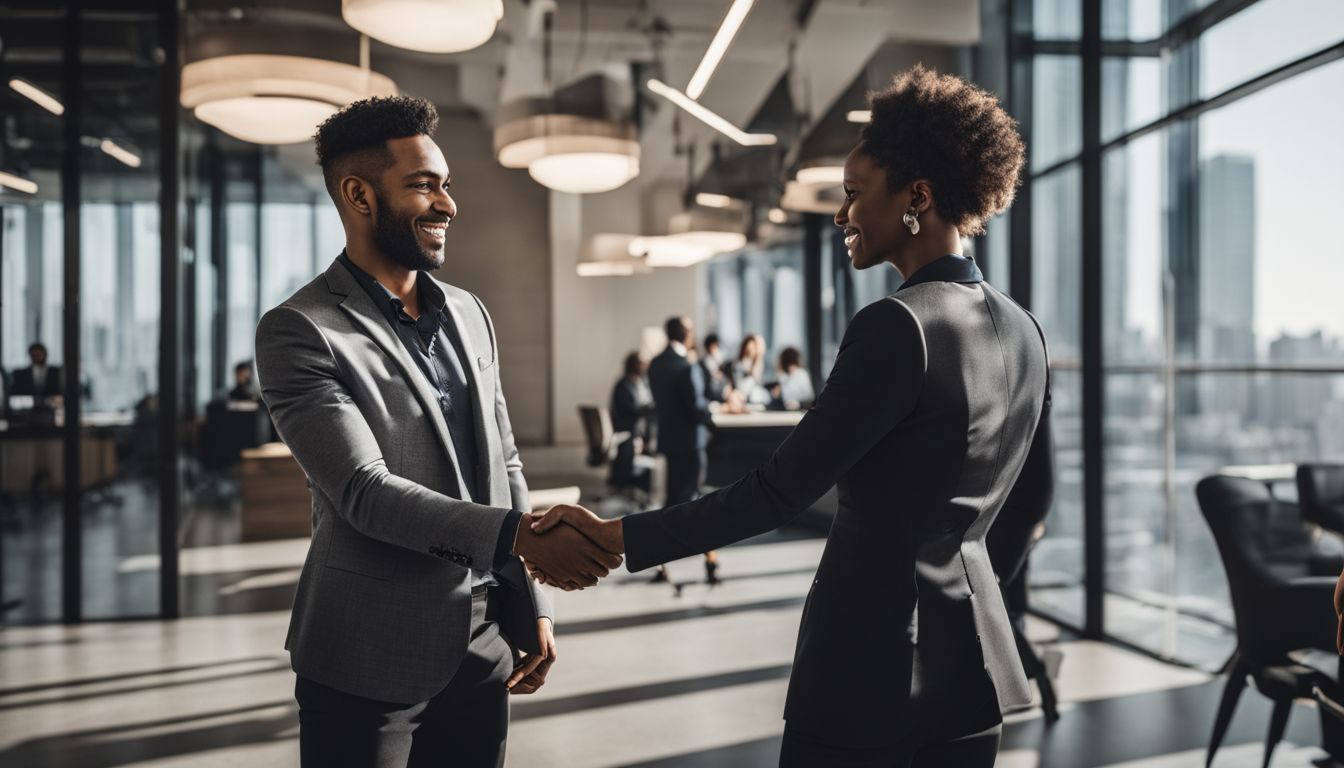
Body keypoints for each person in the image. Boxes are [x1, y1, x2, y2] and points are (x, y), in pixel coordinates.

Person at [530, 65, 1046, 766]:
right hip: (974, 670)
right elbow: (1016, 507)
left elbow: (777, 491)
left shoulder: (898, 325)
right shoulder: (1025, 332)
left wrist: (616, 538)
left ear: (916, 197)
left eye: (855, 195)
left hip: (868, 671)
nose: (841, 216)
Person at [253, 95, 620, 768]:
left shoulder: (470, 313)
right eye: (424, 185)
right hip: (366, 653)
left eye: (446, 183)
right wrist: (522, 539)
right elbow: (363, 491)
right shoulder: (300, 331)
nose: (447, 203)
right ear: (359, 196)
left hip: (482, 644)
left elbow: (504, 458)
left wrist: (527, 595)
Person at [646, 316, 720, 585]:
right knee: (692, 505)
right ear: (687, 335)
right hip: (691, 443)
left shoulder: (655, 364)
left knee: (673, 502)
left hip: (669, 441)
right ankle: (709, 561)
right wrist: (716, 411)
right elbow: (696, 407)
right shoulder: (686, 367)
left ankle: (660, 563)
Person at [609, 351, 653, 491]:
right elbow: (632, 410)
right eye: (642, 363)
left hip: (635, 435)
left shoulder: (638, 384)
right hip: (628, 436)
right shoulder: (624, 386)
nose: (645, 366)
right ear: (634, 365)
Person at [730, 335, 769, 406]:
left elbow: (759, 382)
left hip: (756, 397)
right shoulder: (739, 365)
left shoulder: (757, 363)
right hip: (743, 396)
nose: (751, 351)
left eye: (753, 348)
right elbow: (738, 385)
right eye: (748, 349)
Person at [698, 333, 732, 403]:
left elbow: (728, 379)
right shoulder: (702, 364)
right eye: (712, 346)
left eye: (716, 345)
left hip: (723, 398)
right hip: (709, 399)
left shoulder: (723, 362)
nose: (714, 348)